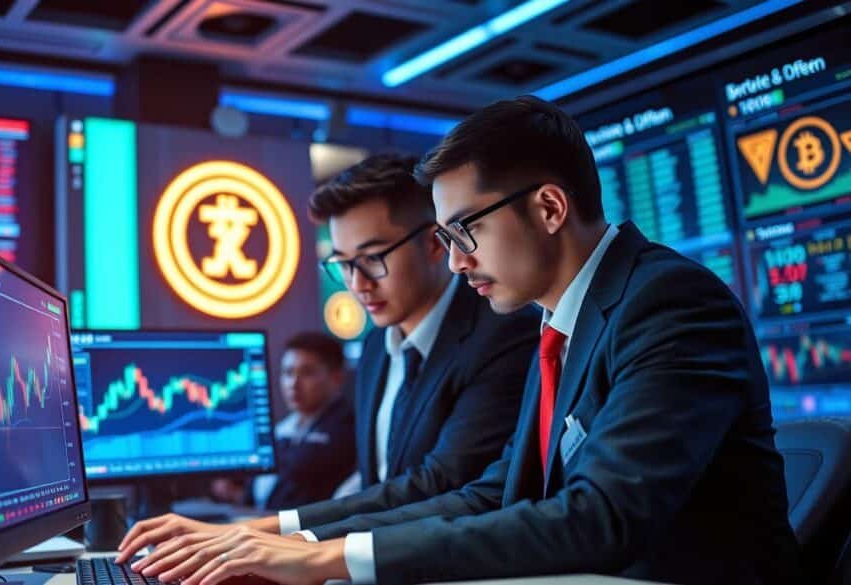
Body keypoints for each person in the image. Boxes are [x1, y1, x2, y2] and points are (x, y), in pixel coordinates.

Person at [119, 97, 802, 585]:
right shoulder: (558, 319)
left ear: (550, 207)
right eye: (444, 238)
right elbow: (491, 492)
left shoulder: (670, 301)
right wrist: (297, 541)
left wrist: (327, 557)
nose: (455, 259)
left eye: (462, 232)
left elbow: (601, 516)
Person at [115, 152, 540, 568]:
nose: (357, 285)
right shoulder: (377, 345)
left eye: (373, 259)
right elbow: (383, 487)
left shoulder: (503, 334)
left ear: (433, 243)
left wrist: (280, 535)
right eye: (342, 264)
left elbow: (441, 484)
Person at [212, 331, 356, 510]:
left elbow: (302, 470)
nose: (293, 384)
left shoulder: (348, 427)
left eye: (307, 373)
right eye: (288, 373)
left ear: (337, 378)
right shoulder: (282, 430)